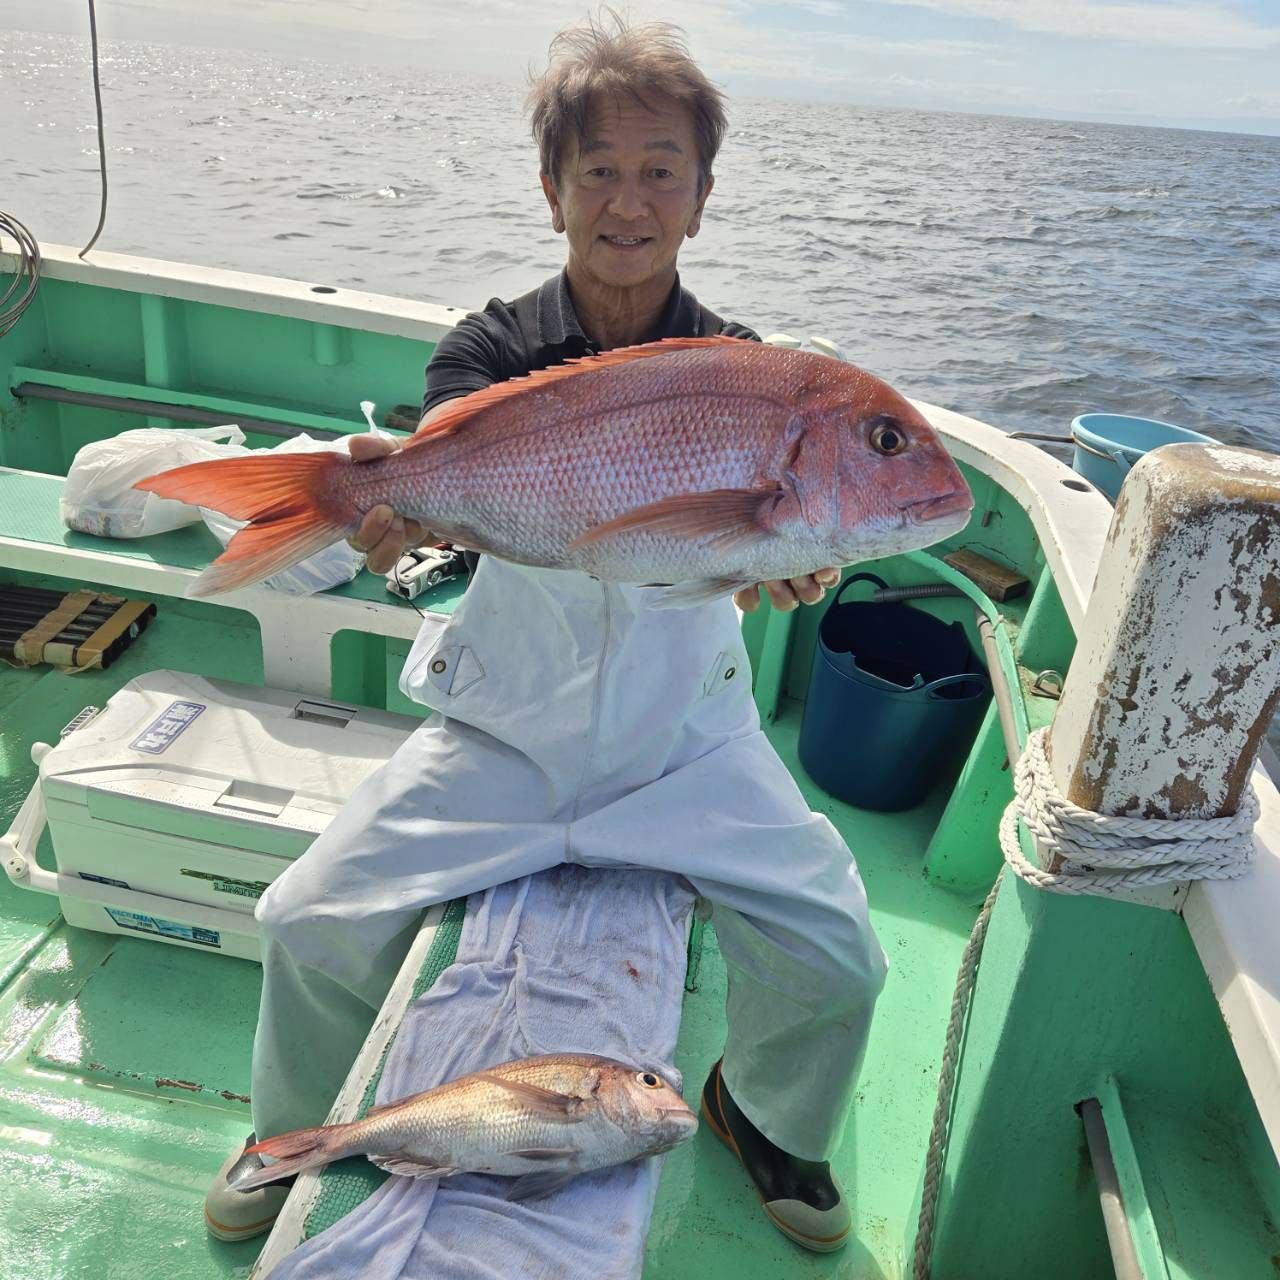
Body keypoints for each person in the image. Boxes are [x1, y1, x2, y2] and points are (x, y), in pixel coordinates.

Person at [204, 13, 887, 1257]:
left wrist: (791, 565)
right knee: (303, 915)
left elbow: (756, 550)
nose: (627, 201)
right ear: (550, 189)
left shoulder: (741, 373)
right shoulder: (488, 351)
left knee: (840, 950)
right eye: (598, 169)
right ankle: (295, 1130)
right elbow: (462, 483)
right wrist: (394, 514)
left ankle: (763, 1113)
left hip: (684, 743)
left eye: (660, 169)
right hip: (501, 732)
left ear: (702, 196)